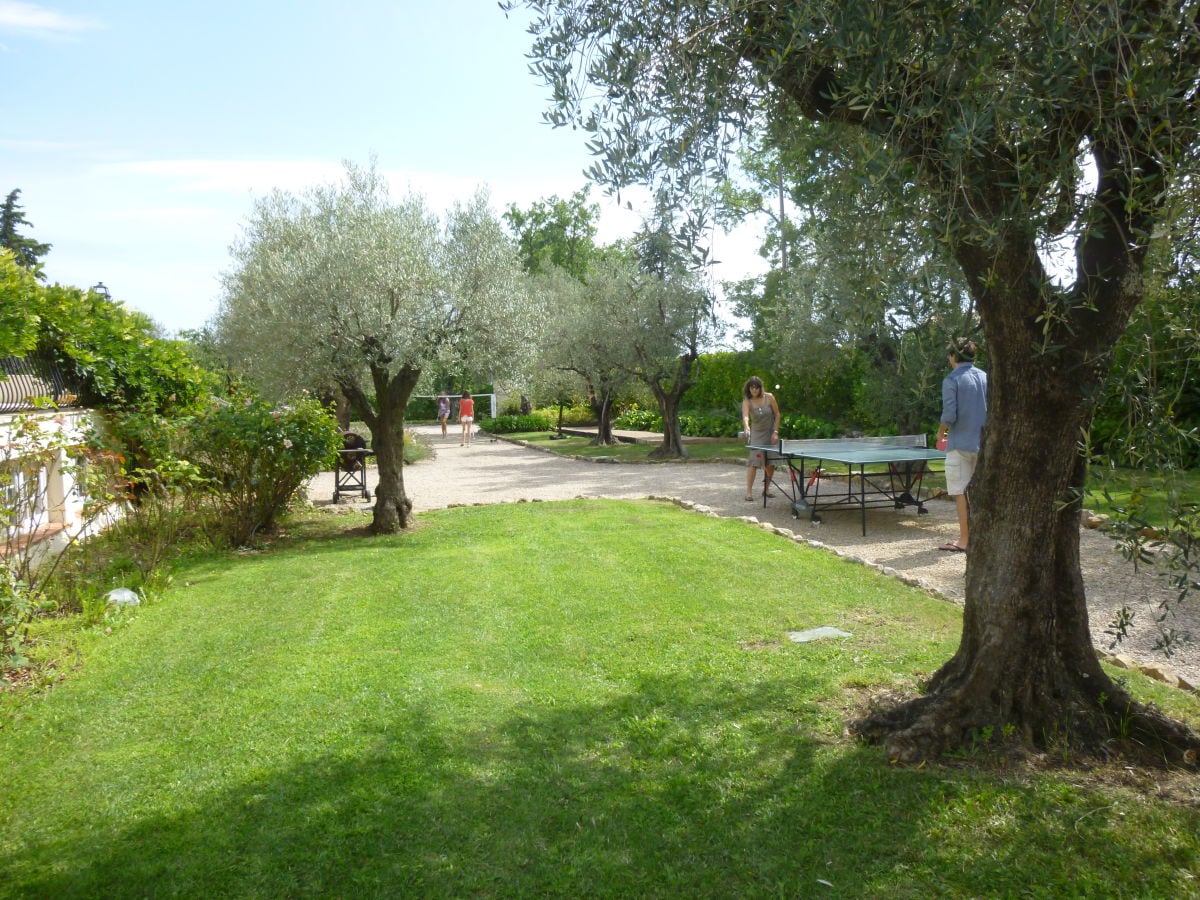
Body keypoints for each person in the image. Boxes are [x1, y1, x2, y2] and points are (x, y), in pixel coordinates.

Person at [936, 338, 988, 552]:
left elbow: (949, 415)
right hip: (984, 444)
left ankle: (965, 541)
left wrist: (940, 434)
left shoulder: (951, 379)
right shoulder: (986, 377)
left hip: (959, 444)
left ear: (953, 356)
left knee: (960, 493)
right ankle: (984, 539)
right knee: (981, 494)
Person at [741, 376, 782, 501]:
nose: (754, 390)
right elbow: (746, 416)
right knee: (753, 463)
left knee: (771, 463)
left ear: (760, 388)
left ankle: (766, 489)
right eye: (752, 387)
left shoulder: (769, 397)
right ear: (749, 388)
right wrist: (747, 427)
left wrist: (775, 432)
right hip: (757, 434)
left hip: (770, 434)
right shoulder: (747, 401)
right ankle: (749, 492)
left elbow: (777, 414)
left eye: (756, 387)